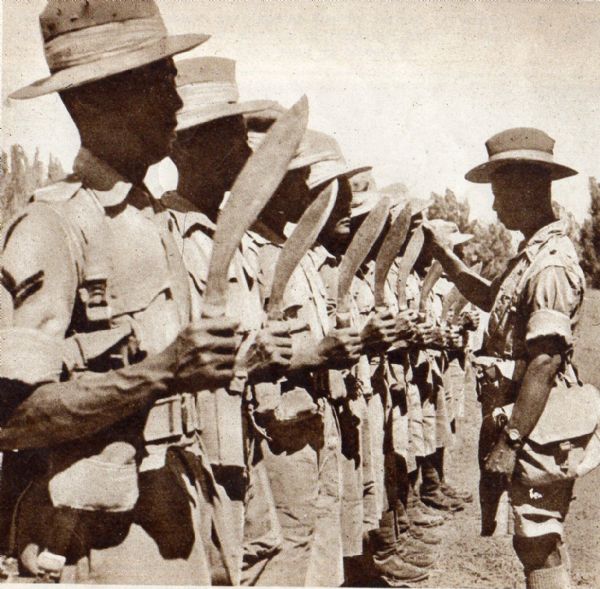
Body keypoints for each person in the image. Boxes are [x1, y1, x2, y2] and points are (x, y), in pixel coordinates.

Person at [0, 1, 244, 584]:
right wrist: (159, 373)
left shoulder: (149, 218)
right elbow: (10, 418)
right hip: (96, 541)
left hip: (175, 509)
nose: (178, 103)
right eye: (157, 83)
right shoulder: (53, 227)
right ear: (89, 100)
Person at [424, 127, 584, 589]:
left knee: (537, 537)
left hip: (535, 425)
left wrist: (510, 442)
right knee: (536, 535)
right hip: (526, 419)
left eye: (500, 195)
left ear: (530, 187)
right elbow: (493, 300)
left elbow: (545, 362)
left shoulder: (549, 264)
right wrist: (448, 263)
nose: (494, 207)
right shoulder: (529, 257)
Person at [163, 57, 297, 583]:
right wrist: (250, 356)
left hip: (241, 437)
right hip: (200, 450)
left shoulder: (228, 236)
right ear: (182, 146)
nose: (243, 153)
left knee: (255, 561)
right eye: (226, 137)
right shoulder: (170, 232)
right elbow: (177, 355)